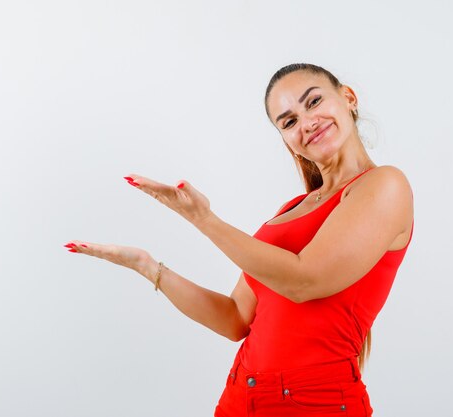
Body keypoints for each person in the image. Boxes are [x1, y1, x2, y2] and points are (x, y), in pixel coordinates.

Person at [64, 63, 414, 417]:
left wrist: (202, 218)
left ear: (348, 98)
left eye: (313, 102)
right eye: (289, 122)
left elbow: (305, 280)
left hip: (316, 402)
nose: (307, 123)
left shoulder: (384, 185)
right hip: (240, 398)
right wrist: (147, 266)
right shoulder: (291, 210)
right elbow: (234, 318)